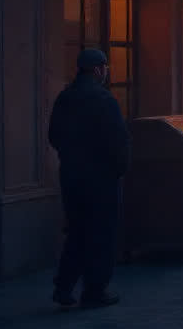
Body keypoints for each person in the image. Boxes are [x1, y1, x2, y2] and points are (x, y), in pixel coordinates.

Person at [48, 48, 130, 308]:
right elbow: (118, 141)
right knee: (102, 234)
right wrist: (118, 169)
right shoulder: (104, 100)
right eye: (105, 67)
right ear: (97, 69)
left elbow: (54, 135)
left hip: (71, 175)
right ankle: (94, 290)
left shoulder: (65, 97)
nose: (106, 72)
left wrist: (70, 157)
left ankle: (63, 287)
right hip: (101, 178)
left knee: (77, 231)